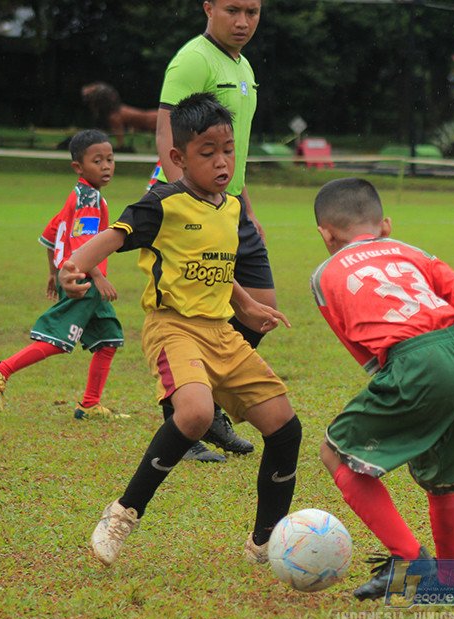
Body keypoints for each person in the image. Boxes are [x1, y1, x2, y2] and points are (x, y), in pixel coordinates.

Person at [58, 93, 302, 567]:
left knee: (285, 429)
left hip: (222, 333)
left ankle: (264, 542)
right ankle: (123, 512)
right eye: (207, 152)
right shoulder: (163, 203)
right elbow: (115, 235)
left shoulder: (229, 207)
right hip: (174, 328)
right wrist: (75, 265)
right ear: (179, 157)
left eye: (228, 149)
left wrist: (248, 305)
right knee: (192, 414)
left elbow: (215, 264)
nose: (221, 161)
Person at [309, 177, 454, 602]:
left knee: (335, 451)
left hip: (413, 358)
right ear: (385, 225)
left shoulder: (323, 275)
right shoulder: (410, 252)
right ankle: (453, 583)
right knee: (443, 481)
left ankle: (412, 563)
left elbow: (368, 357)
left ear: (325, 233)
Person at [150, 0, 271, 463]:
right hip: (196, 206)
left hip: (232, 205)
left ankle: (207, 406)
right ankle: (183, 418)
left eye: (253, 12)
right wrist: (185, 202)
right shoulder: (192, 59)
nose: (243, 22)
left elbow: (230, 149)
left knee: (263, 308)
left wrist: (246, 203)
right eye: (233, 10)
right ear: (209, 7)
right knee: (193, 313)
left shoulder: (243, 64)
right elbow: (167, 138)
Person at [0, 129, 128, 421]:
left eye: (110, 159)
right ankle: (1, 369)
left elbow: (51, 233)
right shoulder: (89, 199)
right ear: (78, 167)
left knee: (109, 340)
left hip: (78, 279)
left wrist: (52, 272)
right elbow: (83, 245)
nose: (106, 166)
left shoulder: (79, 195)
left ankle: (89, 405)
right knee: (57, 341)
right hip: (82, 282)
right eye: (97, 160)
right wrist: (97, 276)